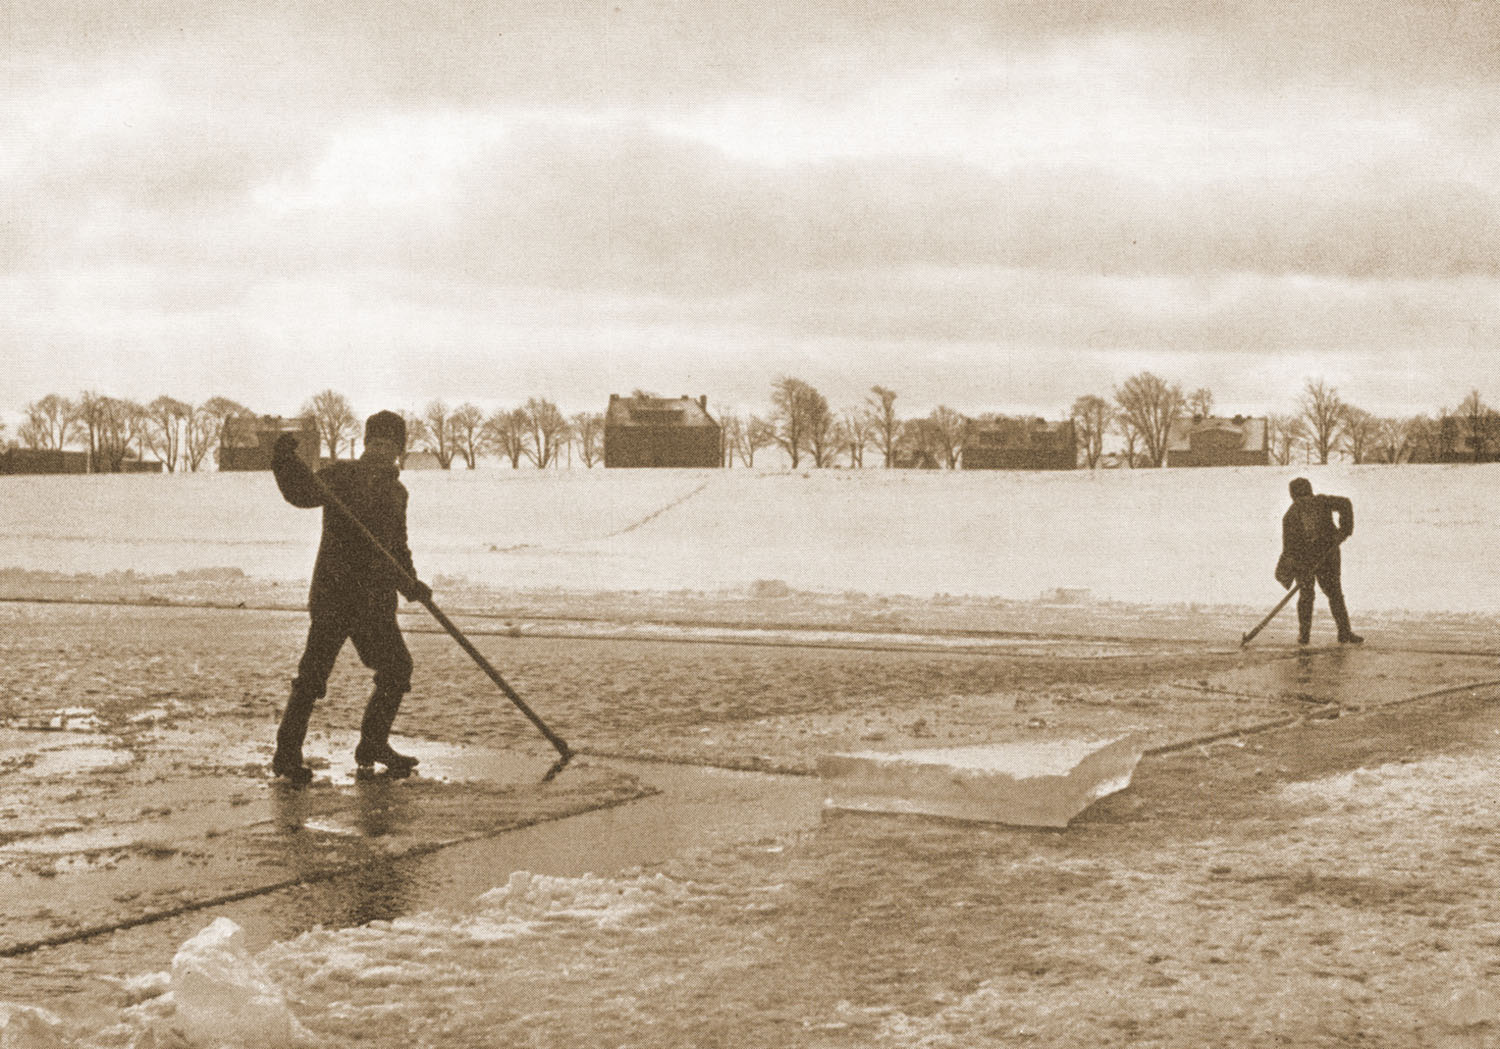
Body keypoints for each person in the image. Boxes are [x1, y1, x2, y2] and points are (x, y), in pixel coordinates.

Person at [269, 410, 432, 784]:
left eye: (390, 444)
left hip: (374, 601)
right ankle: (286, 754)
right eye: (377, 442)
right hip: (336, 594)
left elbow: (396, 546)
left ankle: (373, 744)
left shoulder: (396, 493)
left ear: (399, 449)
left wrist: (411, 584)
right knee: (312, 677)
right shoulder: (341, 476)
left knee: (396, 668)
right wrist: (283, 461)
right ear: (366, 444)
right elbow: (301, 493)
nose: (383, 450)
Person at [1278, 477, 1362, 646]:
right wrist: (1296, 569)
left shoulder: (1317, 504)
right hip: (1307, 560)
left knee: (1330, 593)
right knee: (1312, 595)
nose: (1305, 501)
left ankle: (1341, 633)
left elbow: (1345, 504)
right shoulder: (1292, 515)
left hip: (1327, 556)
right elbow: (1290, 549)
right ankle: (1306, 635)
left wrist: (1344, 530)